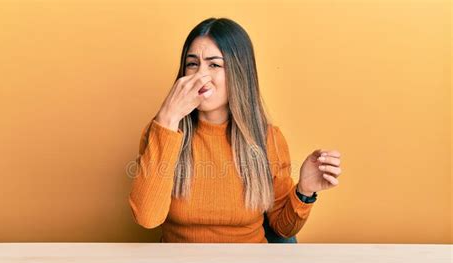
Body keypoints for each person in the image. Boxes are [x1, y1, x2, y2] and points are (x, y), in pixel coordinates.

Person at [128, 17, 342, 243]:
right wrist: (168, 119)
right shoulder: (161, 132)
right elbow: (147, 218)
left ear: (239, 73)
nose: (201, 76)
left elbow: (283, 229)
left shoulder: (268, 138)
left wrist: (304, 192)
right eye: (192, 64)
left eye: (214, 65)